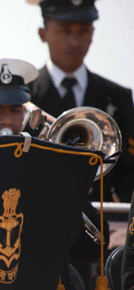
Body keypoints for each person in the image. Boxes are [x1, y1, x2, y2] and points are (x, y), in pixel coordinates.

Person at [0, 58, 110, 290]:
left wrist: (62, 176)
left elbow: (94, 246)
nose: (6, 121)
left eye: (15, 110)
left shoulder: (46, 166)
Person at [27, 0, 134, 204]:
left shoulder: (117, 97)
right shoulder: (25, 96)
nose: (75, 42)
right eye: (65, 31)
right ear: (43, 34)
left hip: (103, 223)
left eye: (83, 31)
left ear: (93, 34)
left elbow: (128, 171)